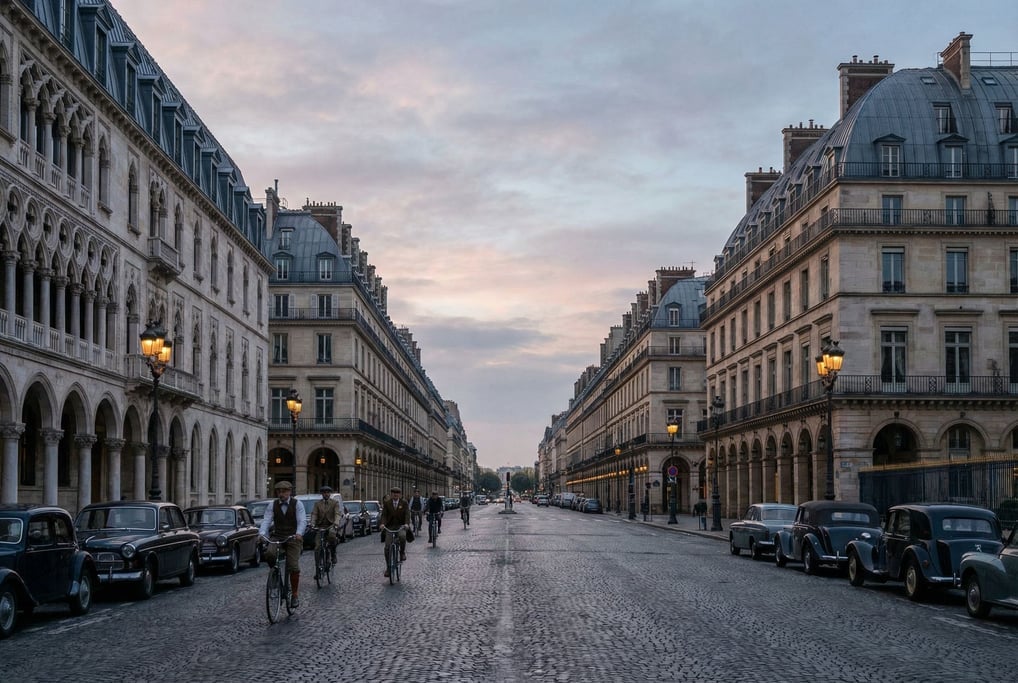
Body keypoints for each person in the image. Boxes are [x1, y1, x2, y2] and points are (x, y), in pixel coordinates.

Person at [259, 480, 306, 607]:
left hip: (293, 537)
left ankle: (295, 595)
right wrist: (263, 533)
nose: (281, 494)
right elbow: (267, 520)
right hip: (278, 536)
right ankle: (275, 577)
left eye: (284, 491)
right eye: (279, 491)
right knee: (269, 553)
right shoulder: (272, 505)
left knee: (293, 566)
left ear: (289, 492)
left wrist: (299, 533)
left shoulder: (297, 504)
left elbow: (302, 521)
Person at [378, 487, 410, 578]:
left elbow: (407, 514)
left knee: (402, 536)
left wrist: (407, 524)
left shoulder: (404, 503)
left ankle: (402, 552)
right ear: (391, 494)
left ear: (400, 494)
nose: (395, 494)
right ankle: (388, 568)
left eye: (397, 493)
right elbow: (384, 515)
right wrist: (382, 524)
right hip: (390, 526)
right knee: (387, 547)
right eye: (393, 493)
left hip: (401, 526)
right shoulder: (387, 503)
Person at [310, 485, 340, 563]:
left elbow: (337, 514)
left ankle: (333, 554)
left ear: (330, 494)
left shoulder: (334, 503)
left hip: (330, 526)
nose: (326, 494)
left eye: (328, 492)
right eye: (324, 493)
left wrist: (336, 523)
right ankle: (318, 569)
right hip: (320, 526)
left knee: (332, 536)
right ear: (322, 494)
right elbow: (314, 514)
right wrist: (312, 523)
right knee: (317, 547)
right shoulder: (317, 504)